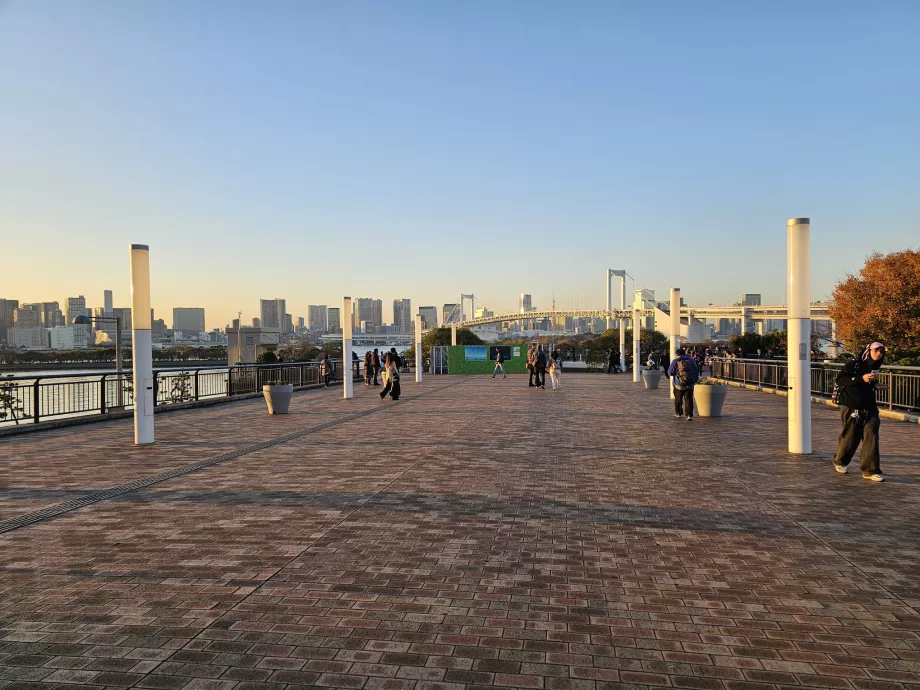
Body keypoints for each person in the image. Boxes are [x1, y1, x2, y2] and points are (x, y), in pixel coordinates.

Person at [832, 342, 887, 481]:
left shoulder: (875, 367)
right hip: (852, 406)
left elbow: (868, 384)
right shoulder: (854, 364)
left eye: (881, 351)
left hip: (870, 407)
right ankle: (840, 461)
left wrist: (875, 385)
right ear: (868, 350)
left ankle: (870, 470)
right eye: (876, 350)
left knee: (871, 437)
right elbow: (841, 380)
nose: (879, 353)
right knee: (850, 437)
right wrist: (860, 379)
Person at [667, 347, 699, 420]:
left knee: (678, 399)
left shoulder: (675, 361)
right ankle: (689, 415)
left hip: (678, 384)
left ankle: (678, 413)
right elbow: (696, 371)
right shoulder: (691, 360)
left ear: (677, 354)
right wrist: (695, 379)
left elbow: (670, 372)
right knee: (689, 399)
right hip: (690, 383)